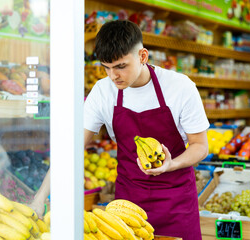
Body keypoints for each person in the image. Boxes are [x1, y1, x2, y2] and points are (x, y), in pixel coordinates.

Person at [83, 20, 209, 240]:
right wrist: (40, 197)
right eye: (106, 67)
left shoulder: (180, 86)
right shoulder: (103, 91)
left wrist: (172, 164)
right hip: (127, 204)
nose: (113, 76)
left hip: (176, 202)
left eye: (121, 66)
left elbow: (200, 145)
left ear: (142, 56)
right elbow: (71, 147)